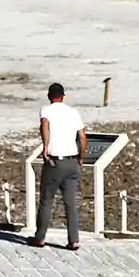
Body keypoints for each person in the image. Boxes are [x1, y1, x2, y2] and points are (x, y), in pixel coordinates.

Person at [29, 82, 88, 250]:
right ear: (63, 96)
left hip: (55, 161)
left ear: (49, 96)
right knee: (70, 203)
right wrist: (81, 156)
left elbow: (45, 126)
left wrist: (45, 146)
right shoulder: (73, 112)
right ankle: (74, 240)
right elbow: (82, 137)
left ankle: (40, 237)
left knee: (46, 200)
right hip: (72, 160)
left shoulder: (46, 110)